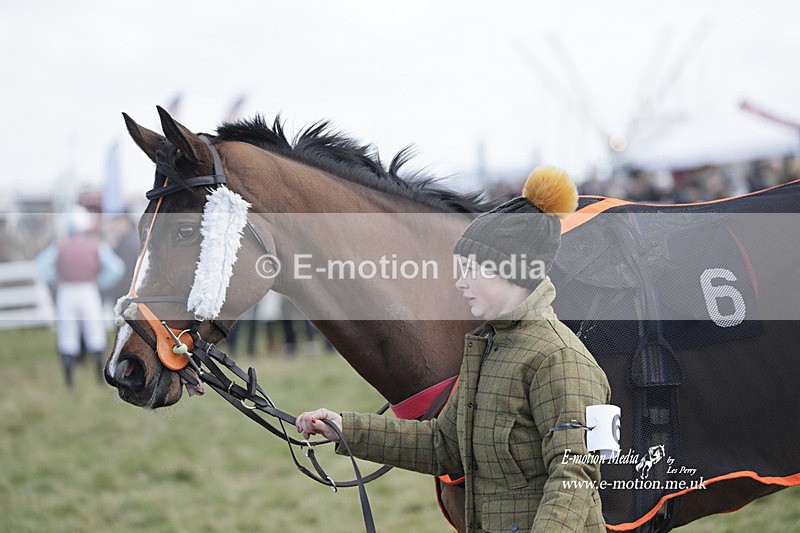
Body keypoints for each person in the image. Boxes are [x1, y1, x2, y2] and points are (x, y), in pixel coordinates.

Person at [297, 167, 611, 532]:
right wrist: (345, 429)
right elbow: (442, 445)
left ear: (508, 271)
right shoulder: (488, 348)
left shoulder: (558, 359)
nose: (459, 283)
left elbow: (574, 475)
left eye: (470, 270)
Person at [35, 205, 124, 388]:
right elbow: (117, 268)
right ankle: (100, 380)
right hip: (88, 290)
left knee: (67, 335)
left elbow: (40, 267)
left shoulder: (59, 246)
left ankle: (69, 383)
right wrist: (100, 282)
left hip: (66, 292)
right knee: (95, 333)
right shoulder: (96, 245)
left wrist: (56, 278)